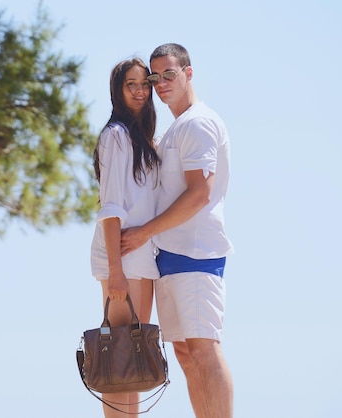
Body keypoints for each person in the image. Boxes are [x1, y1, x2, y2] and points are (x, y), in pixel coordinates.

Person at [121, 43, 234, 418]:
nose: (160, 83)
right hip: (169, 257)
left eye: (169, 74)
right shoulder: (175, 129)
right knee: (186, 353)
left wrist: (143, 232)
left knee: (204, 348)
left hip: (197, 254)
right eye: (154, 77)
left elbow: (199, 194)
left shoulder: (199, 122)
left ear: (188, 73)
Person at [89, 57, 161, 417]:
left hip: (141, 258)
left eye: (144, 84)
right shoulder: (115, 135)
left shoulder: (141, 138)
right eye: (130, 84)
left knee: (134, 362)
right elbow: (111, 206)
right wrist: (115, 270)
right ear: (118, 90)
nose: (139, 90)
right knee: (119, 362)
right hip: (121, 258)